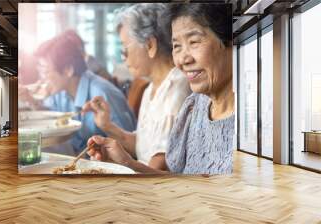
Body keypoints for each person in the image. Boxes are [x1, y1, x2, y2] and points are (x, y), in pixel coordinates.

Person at [87, 3, 235, 175]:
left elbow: (164, 168)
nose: (182, 60)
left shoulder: (180, 89)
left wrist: (127, 165)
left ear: (231, 43)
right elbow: (178, 179)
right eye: (177, 46)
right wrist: (124, 160)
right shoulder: (193, 104)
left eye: (194, 42)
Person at [82, 3, 190, 170]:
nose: (123, 58)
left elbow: (159, 169)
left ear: (150, 45)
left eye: (124, 50)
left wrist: (124, 164)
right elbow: (144, 146)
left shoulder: (177, 87)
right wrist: (107, 126)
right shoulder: (151, 89)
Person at [19, 31, 136, 154]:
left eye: (46, 72)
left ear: (68, 70)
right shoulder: (61, 91)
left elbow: (129, 148)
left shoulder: (103, 94)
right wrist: (30, 100)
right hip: (78, 156)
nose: (42, 79)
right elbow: (50, 118)